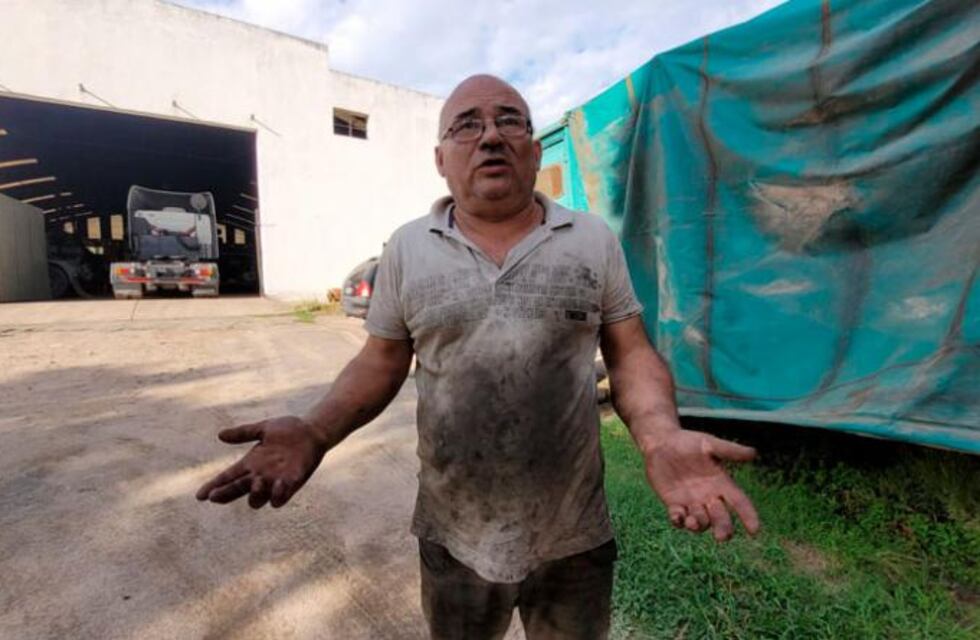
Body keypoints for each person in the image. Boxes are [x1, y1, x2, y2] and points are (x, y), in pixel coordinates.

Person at [196, 74, 760, 640]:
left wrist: (660, 437)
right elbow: (381, 361)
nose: (490, 136)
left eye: (508, 120)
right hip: (454, 534)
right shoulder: (408, 248)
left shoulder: (591, 240)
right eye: (467, 126)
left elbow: (630, 353)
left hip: (574, 535)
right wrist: (317, 431)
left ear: (535, 152)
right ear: (440, 159)